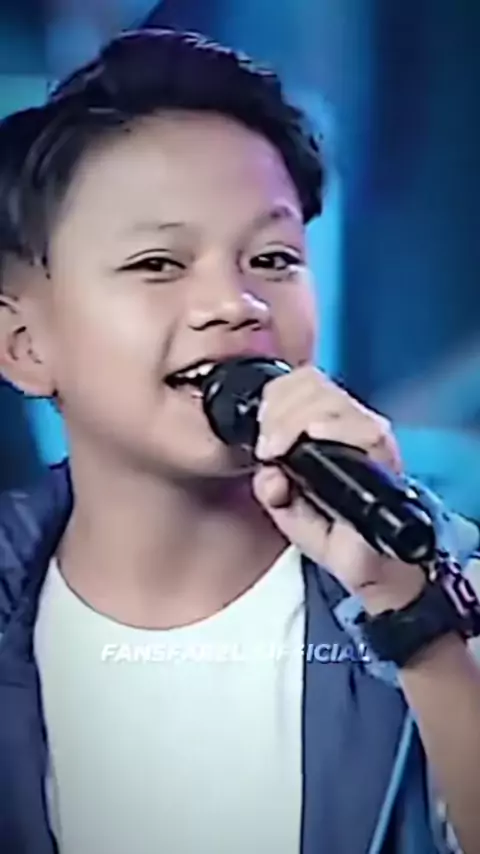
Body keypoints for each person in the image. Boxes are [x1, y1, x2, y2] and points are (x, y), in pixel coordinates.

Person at [0, 28, 479, 854]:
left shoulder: (443, 576)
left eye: (274, 258)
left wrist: (417, 621)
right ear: (24, 345)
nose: (237, 304)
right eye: (158, 263)